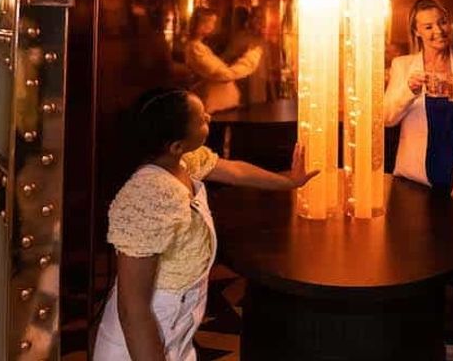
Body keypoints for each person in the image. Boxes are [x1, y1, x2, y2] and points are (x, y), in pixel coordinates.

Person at [94, 88, 317, 360]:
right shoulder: (149, 196)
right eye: (201, 119)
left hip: (178, 329)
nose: (209, 118)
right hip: (140, 343)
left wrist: (288, 182)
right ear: (175, 144)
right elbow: (133, 309)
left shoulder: (182, 161)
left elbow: (234, 170)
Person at [383, 0, 453, 360]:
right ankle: (424, 342)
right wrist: (408, 90)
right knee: (419, 265)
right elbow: (385, 117)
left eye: (443, 23)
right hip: (417, 185)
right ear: (416, 31)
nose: (438, 31)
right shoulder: (403, 66)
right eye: (429, 25)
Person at [184, 7, 261, 113]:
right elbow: (224, 75)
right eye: (211, 22)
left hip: (222, 107)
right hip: (215, 109)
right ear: (202, 23)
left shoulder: (201, 47)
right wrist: (252, 57)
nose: (213, 26)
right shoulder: (195, 48)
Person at [223, 6, 271, 105]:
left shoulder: (263, 41)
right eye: (256, 17)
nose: (259, 21)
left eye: (262, 18)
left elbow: (267, 69)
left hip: (260, 91)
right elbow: (225, 61)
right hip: (243, 89)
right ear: (250, 19)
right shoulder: (240, 38)